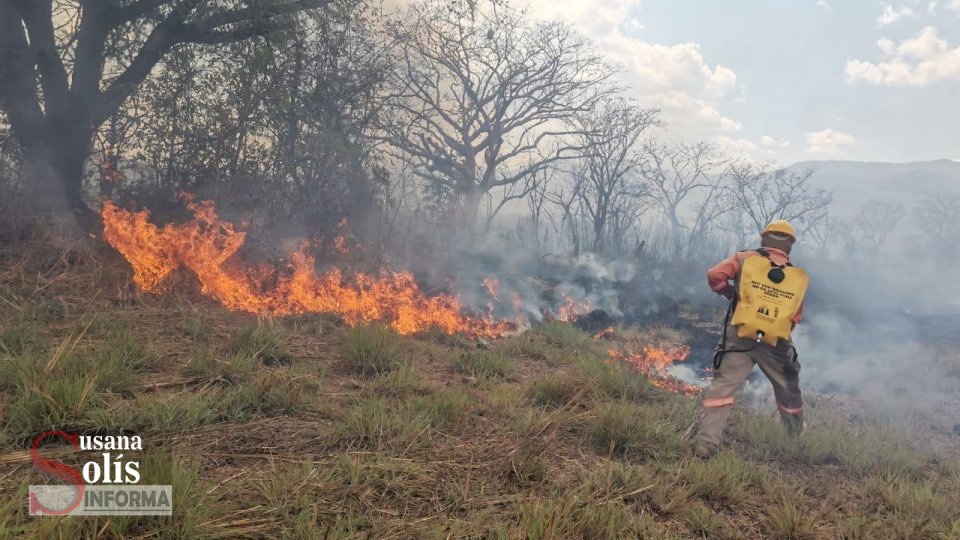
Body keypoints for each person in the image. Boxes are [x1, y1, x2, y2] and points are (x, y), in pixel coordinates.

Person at [694, 220, 807, 459]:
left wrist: (732, 296)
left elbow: (714, 275)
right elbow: (796, 317)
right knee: (789, 391)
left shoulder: (744, 259)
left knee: (724, 387)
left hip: (740, 335)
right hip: (776, 344)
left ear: (765, 238)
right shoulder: (796, 277)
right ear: (790, 245)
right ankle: (795, 442)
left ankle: (705, 445)